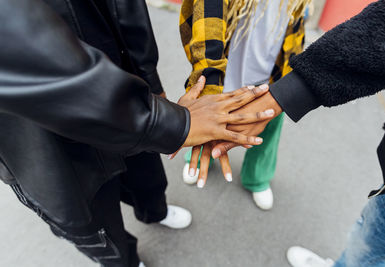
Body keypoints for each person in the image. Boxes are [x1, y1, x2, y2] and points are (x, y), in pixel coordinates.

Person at [0, 1, 274, 266]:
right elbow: (22, 51)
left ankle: (155, 212)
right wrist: (176, 123)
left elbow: (126, 8)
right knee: (92, 216)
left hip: (122, 78)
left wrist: (151, 81)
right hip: (36, 132)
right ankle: (124, 262)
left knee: (146, 173)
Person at [210, 0, 385, 265]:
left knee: (370, 249)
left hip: (276, 59)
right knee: (214, 115)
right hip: (231, 52)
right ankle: (202, 158)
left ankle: (257, 177)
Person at [179, 0, 310, 210]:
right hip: (226, 65)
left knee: (267, 129)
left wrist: (290, 81)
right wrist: (209, 86)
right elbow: (206, 16)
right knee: (208, 118)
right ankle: (202, 153)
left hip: (272, 72)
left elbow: (298, 25)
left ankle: (257, 177)